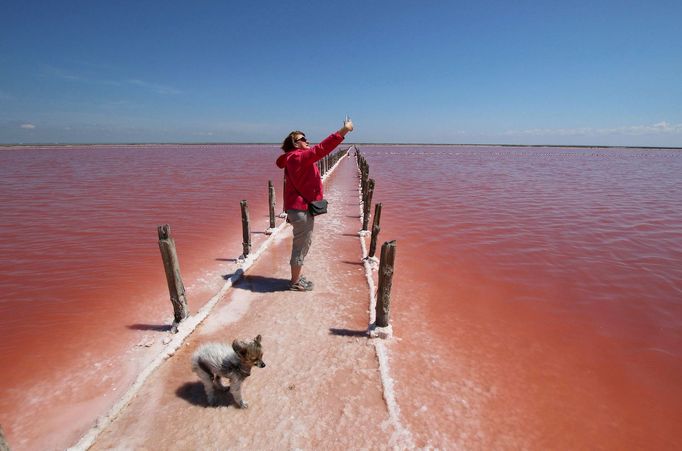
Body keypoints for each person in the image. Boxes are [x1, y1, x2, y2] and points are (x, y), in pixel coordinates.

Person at [276, 118, 354, 291]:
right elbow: (322, 149)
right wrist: (344, 130)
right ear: (295, 144)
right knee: (301, 245)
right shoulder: (298, 157)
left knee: (303, 243)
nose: (307, 141)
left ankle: (296, 276)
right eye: (303, 139)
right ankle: (295, 282)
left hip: (298, 208)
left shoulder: (293, 158)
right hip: (300, 209)